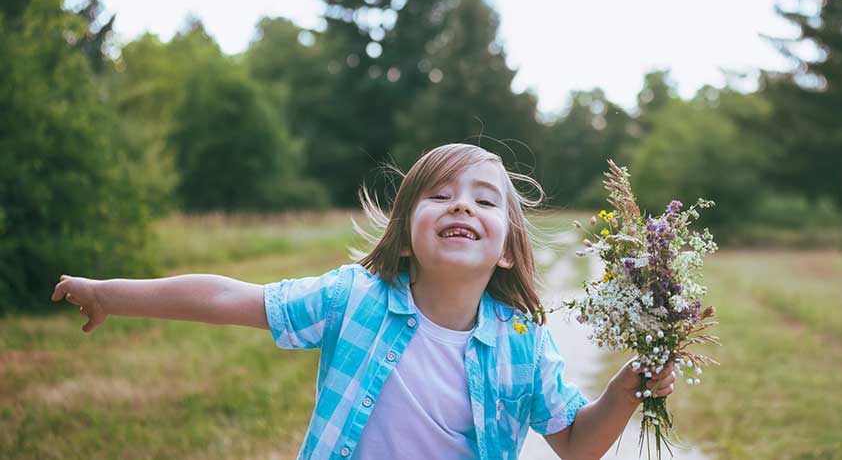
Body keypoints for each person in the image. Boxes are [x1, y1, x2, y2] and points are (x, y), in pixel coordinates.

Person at [51, 143, 676, 460]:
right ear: (405, 234)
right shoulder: (353, 299)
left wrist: (624, 392)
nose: (462, 204)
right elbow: (224, 296)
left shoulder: (522, 340)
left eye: (485, 201)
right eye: (440, 195)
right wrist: (109, 293)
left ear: (508, 250)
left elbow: (574, 444)